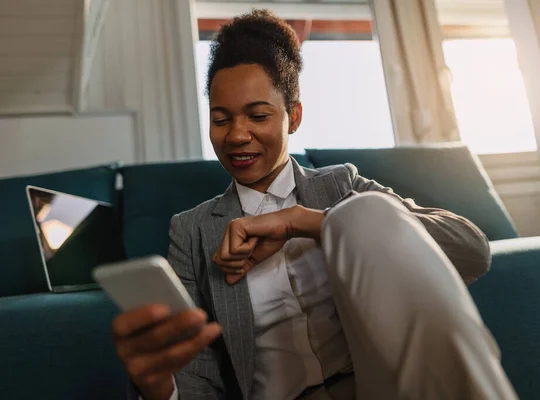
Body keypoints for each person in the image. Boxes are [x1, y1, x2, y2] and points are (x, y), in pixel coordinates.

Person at [112, 9, 517, 400]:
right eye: (221, 119)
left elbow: (471, 251)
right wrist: (158, 387)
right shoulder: (192, 231)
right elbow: (198, 384)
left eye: (257, 115)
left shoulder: (342, 185)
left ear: (294, 116)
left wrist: (308, 222)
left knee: (365, 211)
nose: (236, 135)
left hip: (382, 388)